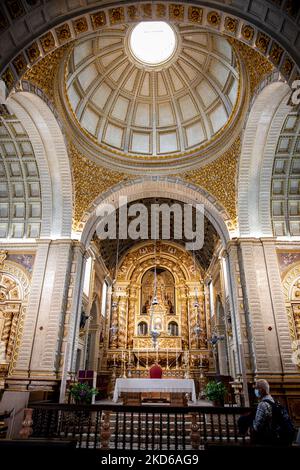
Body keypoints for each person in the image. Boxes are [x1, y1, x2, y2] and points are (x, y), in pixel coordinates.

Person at [251, 379, 276, 445]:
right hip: (274, 435)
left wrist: (252, 423)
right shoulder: (273, 400)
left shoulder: (262, 404)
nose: (255, 391)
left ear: (261, 390)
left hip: (265, 439)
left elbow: (257, 427)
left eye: (256, 388)